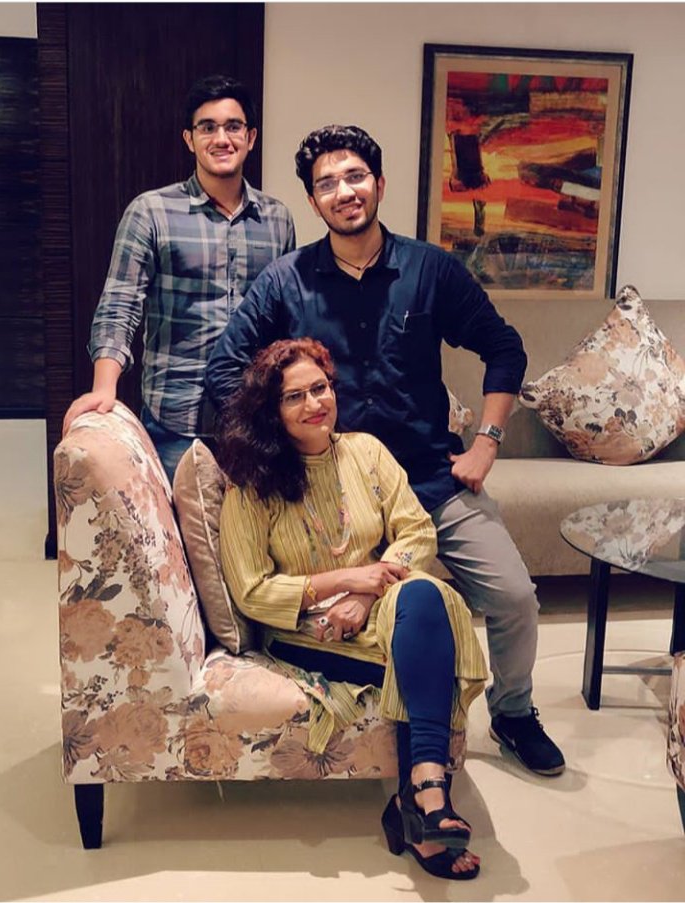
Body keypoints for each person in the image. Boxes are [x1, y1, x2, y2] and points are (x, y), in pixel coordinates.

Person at [205, 124, 565, 777]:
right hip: (330, 492)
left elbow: (504, 348)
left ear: (378, 184)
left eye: (355, 177)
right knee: (363, 612)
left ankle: (514, 712)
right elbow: (226, 370)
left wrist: (487, 442)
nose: (344, 192)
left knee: (514, 596)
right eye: (327, 184)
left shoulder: (430, 270)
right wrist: (271, 450)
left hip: (429, 481)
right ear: (313, 201)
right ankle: (399, 727)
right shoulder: (285, 282)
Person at [217, 337, 488, 879]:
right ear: (271, 411)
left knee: (426, 595)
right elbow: (251, 591)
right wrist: (342, 580)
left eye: (320, 388)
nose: (314, 404)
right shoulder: (252, 484)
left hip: (376, 608)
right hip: (309, 631)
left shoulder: (366, 451)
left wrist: (366, 593)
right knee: (425, 660)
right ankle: (420, 807)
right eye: (294, 397)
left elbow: (417, 532)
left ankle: (423, 794)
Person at [62, 74, 296, 481]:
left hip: (255, 420)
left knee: (255, 524)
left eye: (233, 126)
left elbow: (286, 318)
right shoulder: (151, 212)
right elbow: (120, 304)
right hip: (176, 423)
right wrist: (104, 388)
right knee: (178, 525)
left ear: (251, 137)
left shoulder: (277, 219)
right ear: (190, 139)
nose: (221, 138)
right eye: (207, 127)